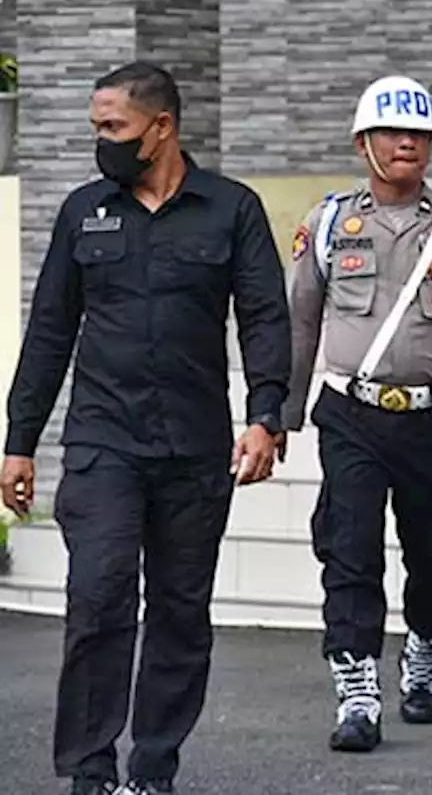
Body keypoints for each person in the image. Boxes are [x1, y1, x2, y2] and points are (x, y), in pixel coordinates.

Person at [0, 61, 291, 795]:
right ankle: (89, 772)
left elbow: (263, 316)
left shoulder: (232, 209)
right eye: (98, 126)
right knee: (98, 596)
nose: (101, 141)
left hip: (195, 448)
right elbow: (49, 331)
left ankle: (153, 767)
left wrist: (266, 415)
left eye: (113, 128)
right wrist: (18, 439)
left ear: (160, 127)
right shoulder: (82, 211)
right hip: (103, 441)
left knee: (180, 611)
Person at [283, 74, 432, 754]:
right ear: (364, 143)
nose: (406, 144)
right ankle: (357, 687)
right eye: (392, 133)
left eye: (418, 134)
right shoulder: (330, 221)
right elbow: (301, 323)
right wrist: (279, 415)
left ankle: (423, 648)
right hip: (351, 412)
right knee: (350, 548)